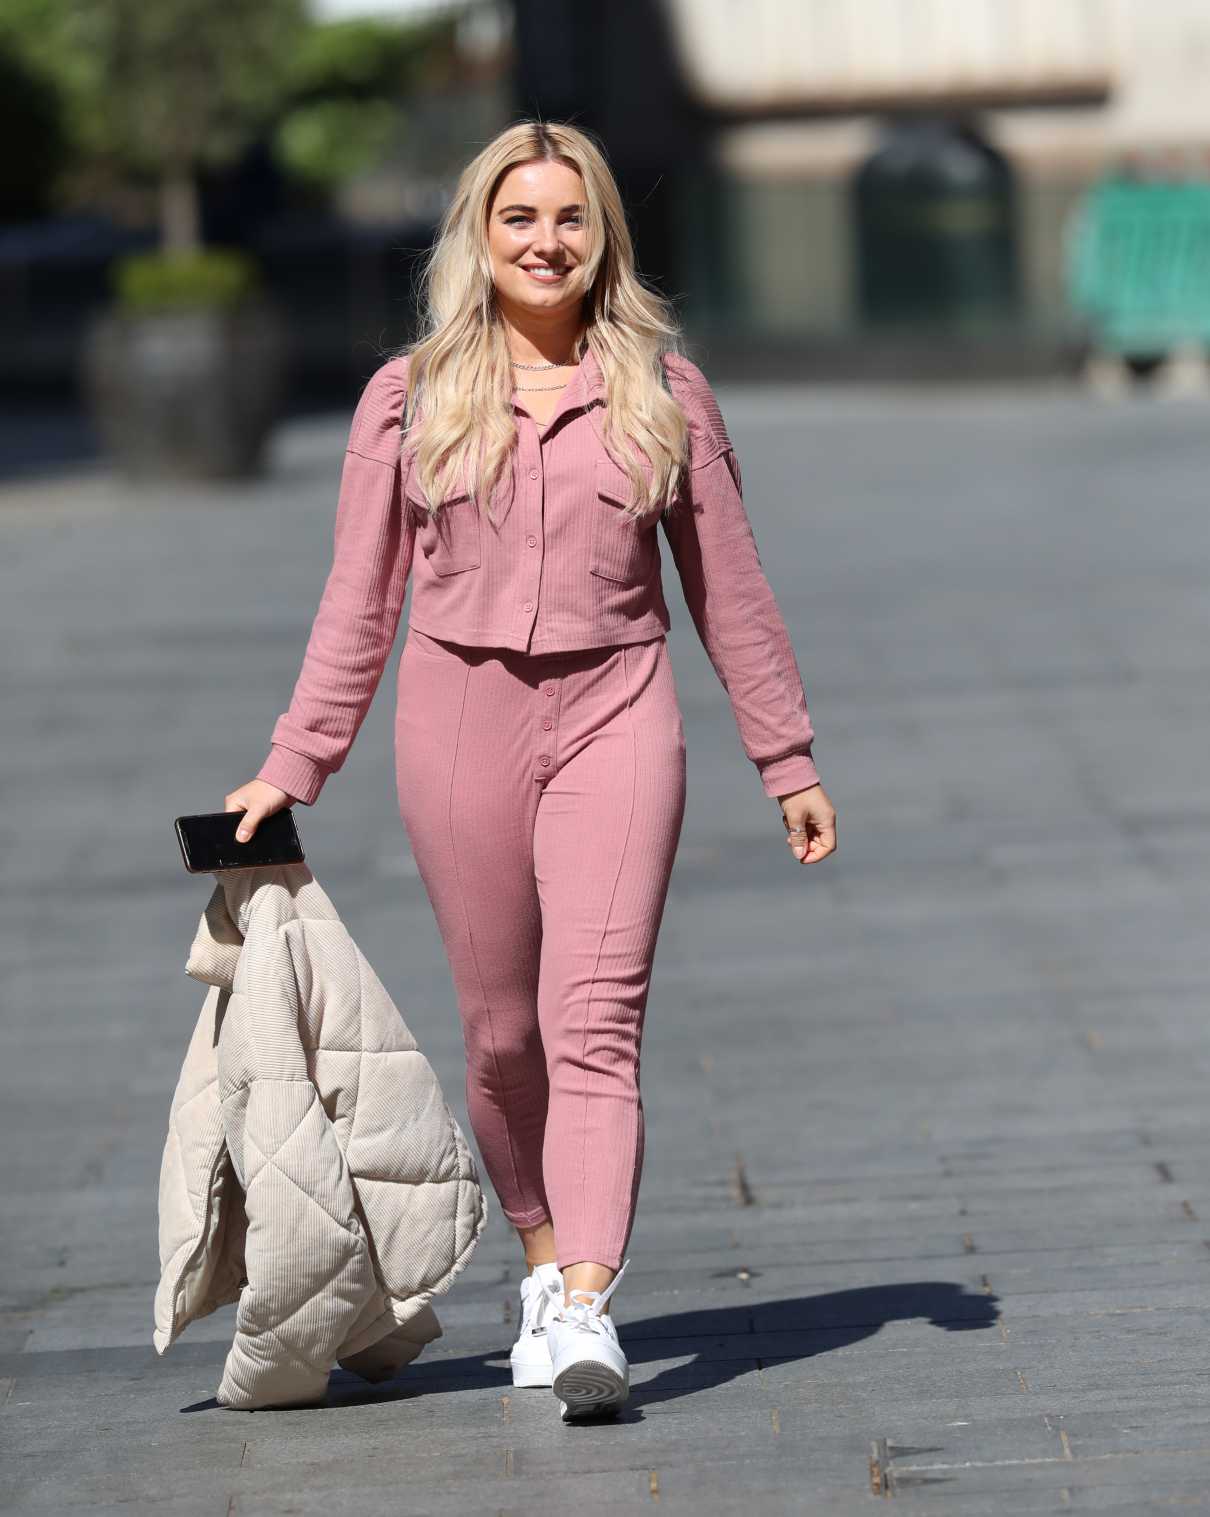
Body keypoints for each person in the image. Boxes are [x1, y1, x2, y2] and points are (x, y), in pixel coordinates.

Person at [224, 120, 837, 1421]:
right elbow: (356, 602)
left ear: (602, 235)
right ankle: (541, 1253)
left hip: (619, 714)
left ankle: (584, 1304)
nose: (546, 240)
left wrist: (785, 756)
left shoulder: (664, 391)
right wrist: (293, 763)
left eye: (570, 217)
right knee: (504, 1038)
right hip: (460, 722)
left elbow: (730, 594)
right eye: (519, 219)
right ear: (480, 237)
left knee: (594, 1019)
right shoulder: (409, 396)